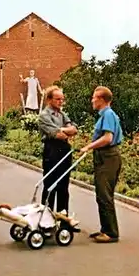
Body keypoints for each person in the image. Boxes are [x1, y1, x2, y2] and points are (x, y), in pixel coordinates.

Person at [80, 86, 123, 243]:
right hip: (104, 157)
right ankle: (105, 228)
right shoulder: (104, 115)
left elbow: (107, 138)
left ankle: (111, 233)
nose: (92, 100)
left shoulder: (108, 115)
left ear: (102, 100)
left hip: (108, 157)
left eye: (94, 97)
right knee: (101, 194)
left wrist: (88, 147)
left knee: (105, 195)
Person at [39, 86, 78, 217]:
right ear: (49, 99)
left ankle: (63, 217)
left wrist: (63, 130)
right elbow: (56, 134)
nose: (61, 102)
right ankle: (46, 217)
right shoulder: (44, 115)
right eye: (58, 99)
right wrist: (65, 130)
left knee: (63, 185)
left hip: (65, 150)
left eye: (62, 99)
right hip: (52, 150)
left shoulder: (62, 114)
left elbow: (74, 129)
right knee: (50, 184)